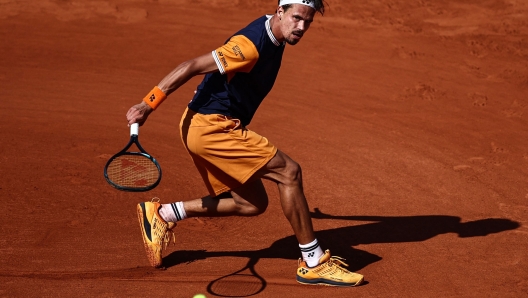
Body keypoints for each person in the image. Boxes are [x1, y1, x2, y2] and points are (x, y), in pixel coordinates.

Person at [126, 0, 364, 287]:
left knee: (252, 203)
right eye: (297, 18)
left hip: (206, 123)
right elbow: (190, 66)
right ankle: (313, 262)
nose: (301, 27)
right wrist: (147, 104)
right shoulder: (249, 46)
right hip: (211, 127)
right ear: (280, 12)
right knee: (289, 172)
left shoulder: (275, 32)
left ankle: (163, 214)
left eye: (308, 22)